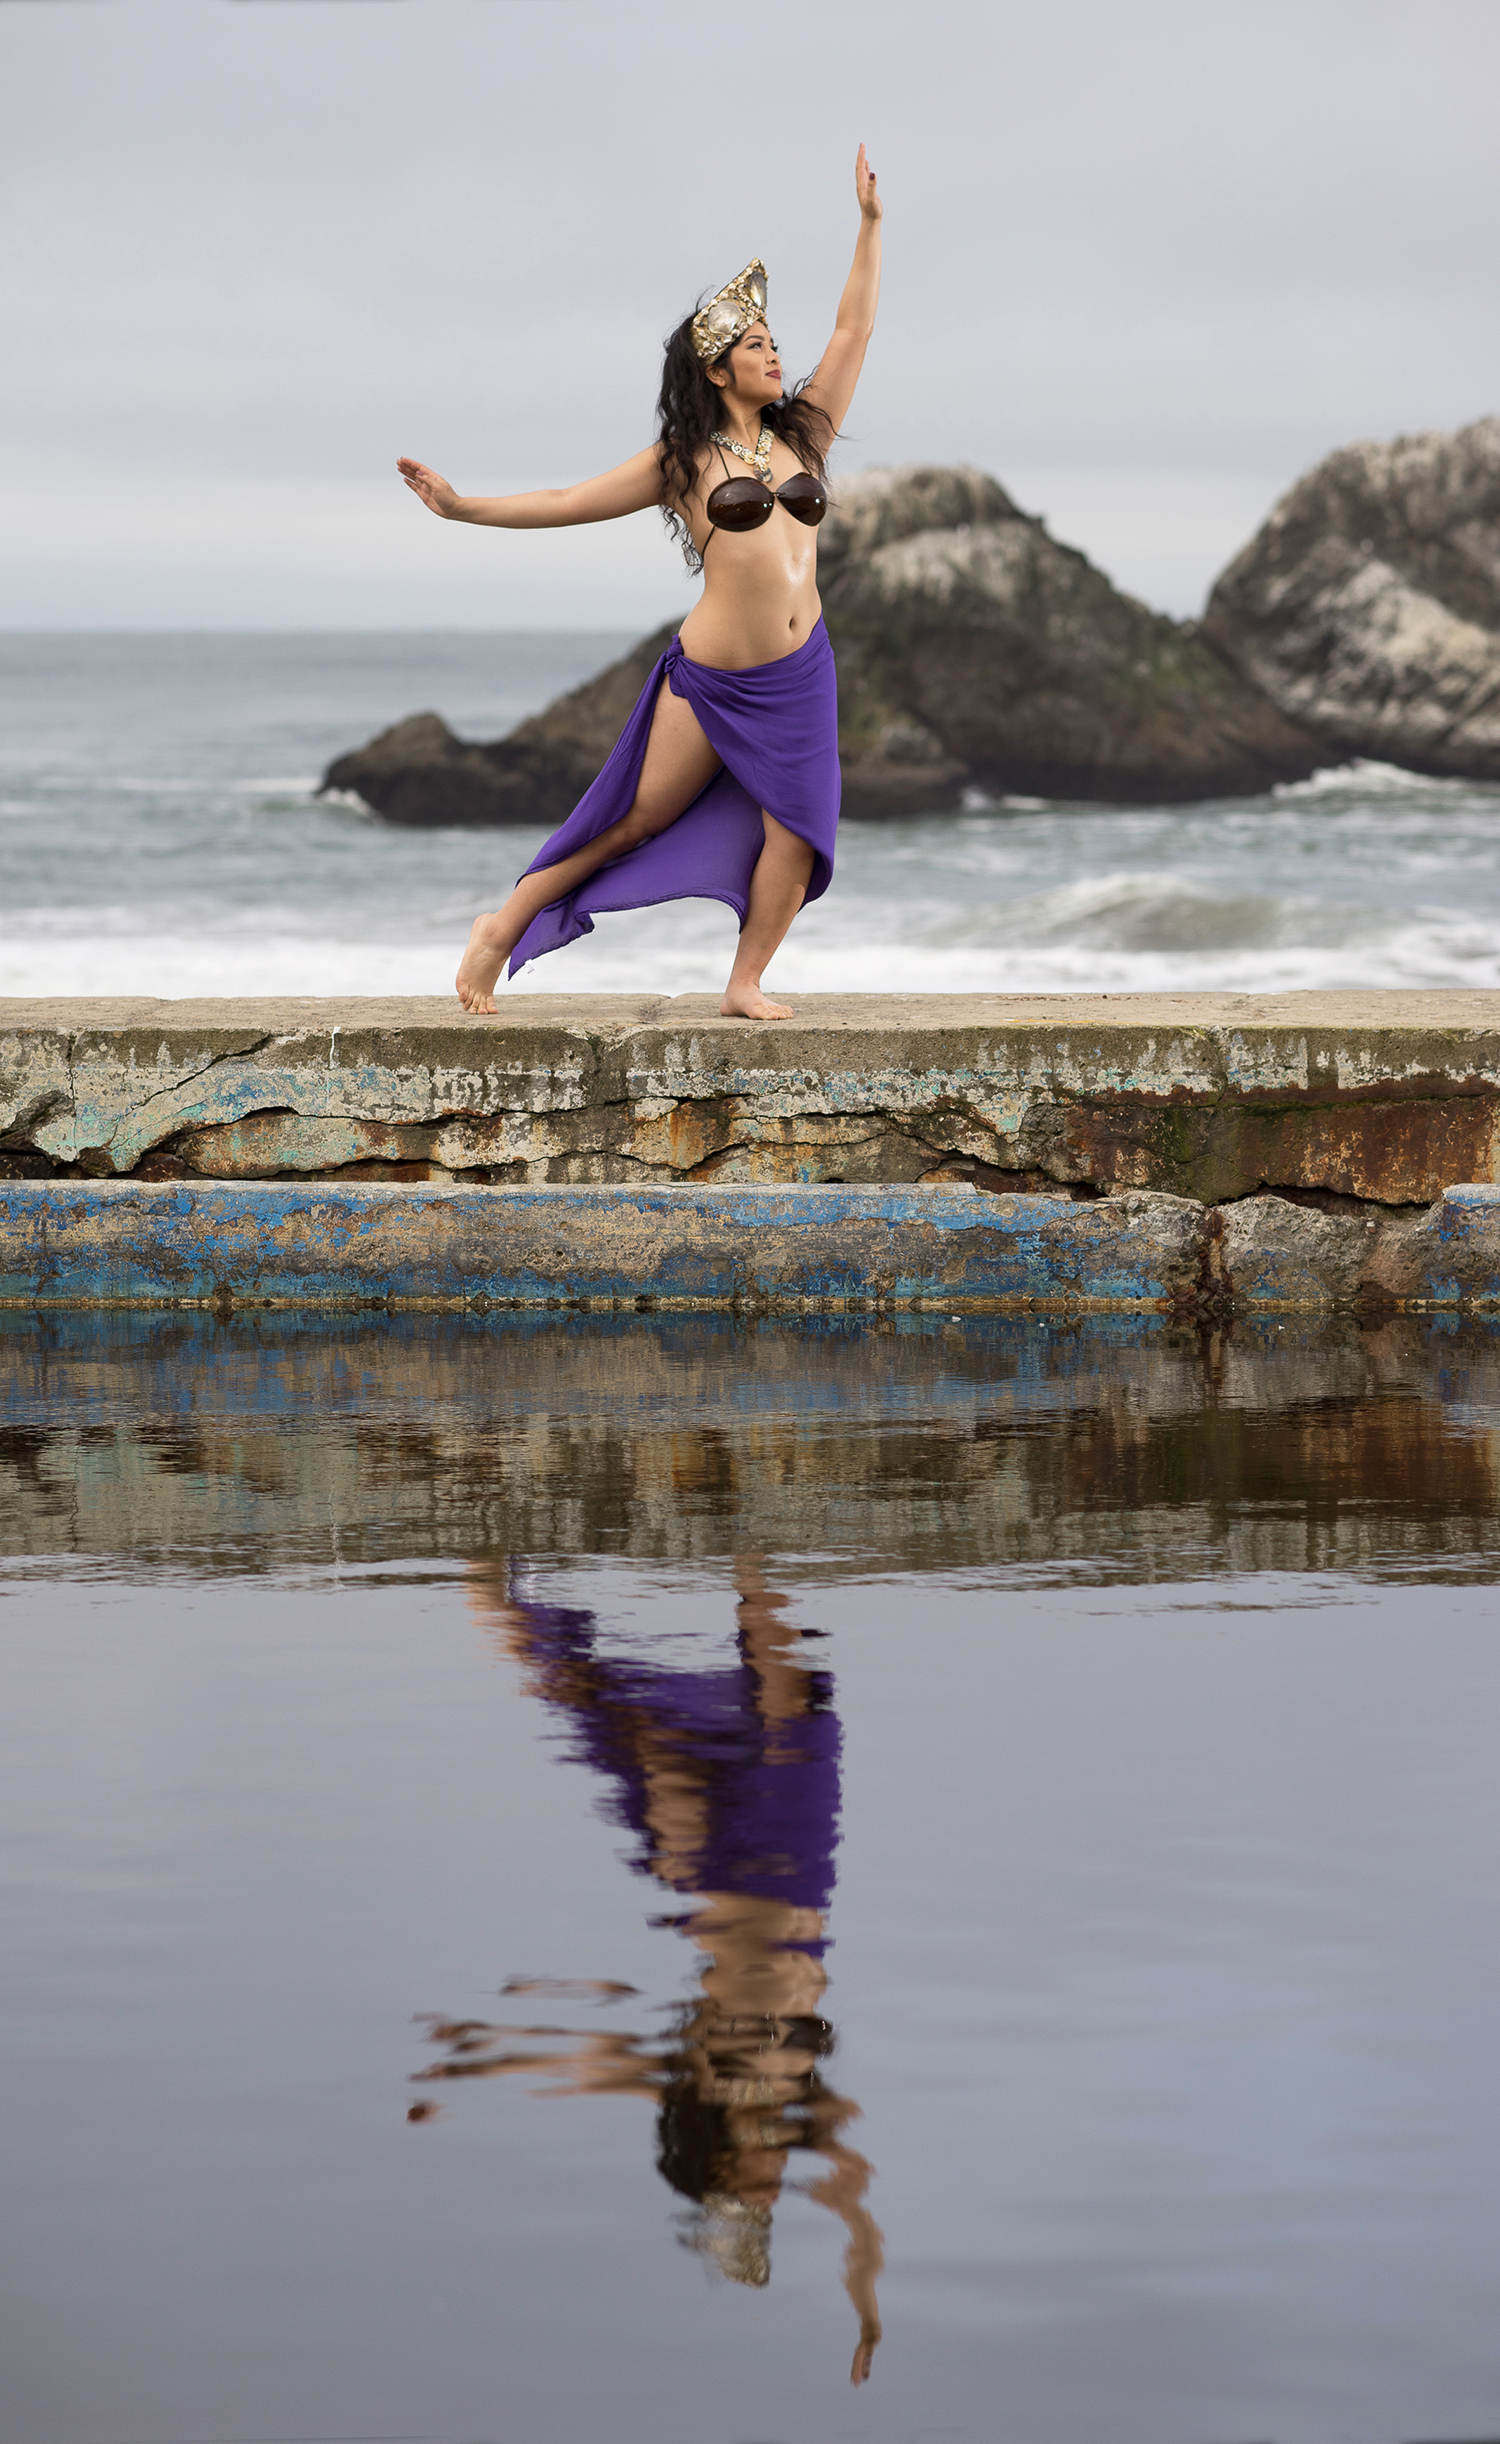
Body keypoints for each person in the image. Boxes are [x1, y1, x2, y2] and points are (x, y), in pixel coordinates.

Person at [397, 148, 883, 1021]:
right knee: (632, 819)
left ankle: (745, 981)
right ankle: (502, 926)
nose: (776, 357)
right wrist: (463, 508)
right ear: (716, 370)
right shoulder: (681, 462)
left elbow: (853, 333)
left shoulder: (804, 434)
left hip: (799, 672)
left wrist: (869, 228)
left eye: (775, 345)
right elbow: (569, 499)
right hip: (710, 679)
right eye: (756, 347)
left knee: (798, 834)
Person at [414, 1558, 884, 2387]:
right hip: (796, 1863)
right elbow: (857, 2214)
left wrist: (476, 2052)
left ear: (717, 2167)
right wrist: (867, 2315)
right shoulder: (812, 2112)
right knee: (785, 1681)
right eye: (767, 2195)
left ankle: (495, 1600)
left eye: (750, 2188)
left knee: (632, 1743)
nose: (768, 2181)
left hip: (715, 1875)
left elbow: (586, 2063)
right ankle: (751, 1547)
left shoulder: (689, 2085)